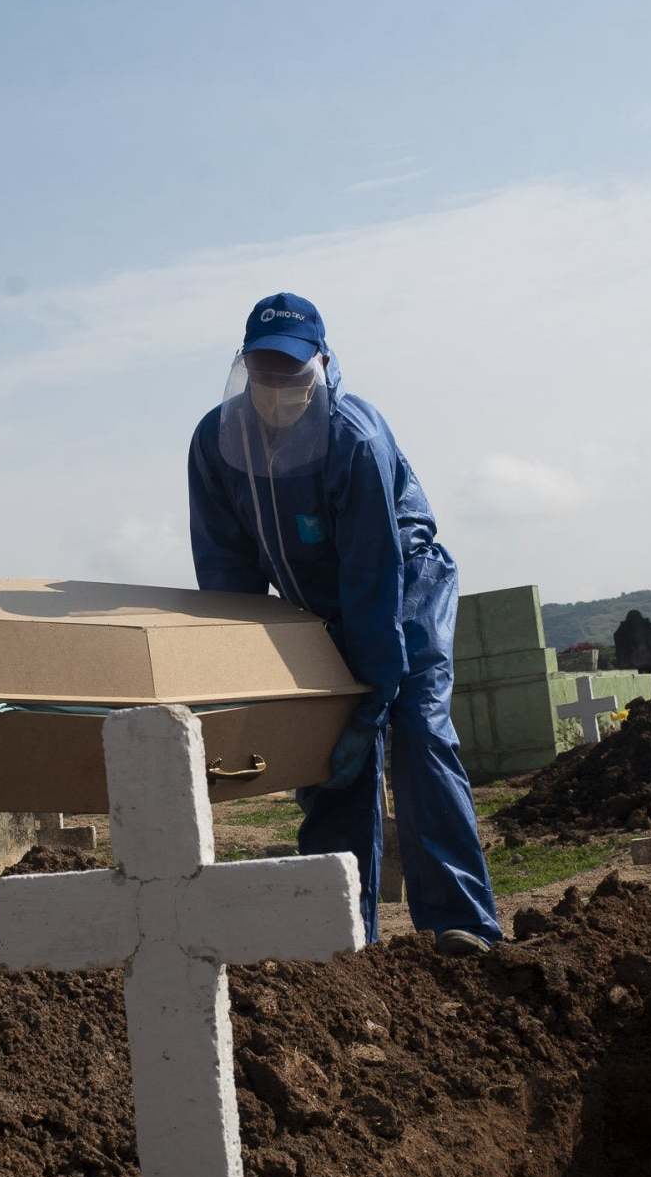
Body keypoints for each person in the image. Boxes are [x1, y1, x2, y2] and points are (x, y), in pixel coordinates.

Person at [187, 293, 499, 950]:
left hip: (402, 587)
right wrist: (255, 678)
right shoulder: (216, 444)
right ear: (244, 369)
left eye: (292, 373)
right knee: (330, 760)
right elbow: (227, 575)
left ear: (322, 364)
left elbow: (371, 577)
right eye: (263, 372)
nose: (277, 388)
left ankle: (460, 923)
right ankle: (333, 932)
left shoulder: (350, 438)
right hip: (310, 608)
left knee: (416, 733)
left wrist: (373, 699)